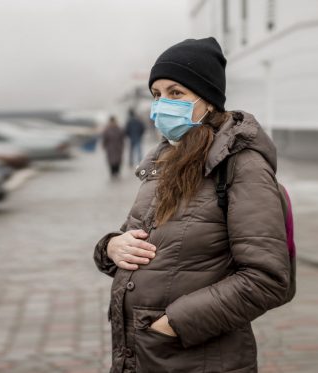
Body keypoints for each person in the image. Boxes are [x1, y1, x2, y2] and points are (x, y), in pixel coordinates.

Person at [93, 37, 290, 373]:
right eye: (156, 94)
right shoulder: (165, 161)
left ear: (209, 100)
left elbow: (267, 278)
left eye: (176, 93)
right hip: (141, 356)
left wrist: (174, 323)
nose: (161, 103)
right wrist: (110, 247)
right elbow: (139, 239)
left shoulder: (241, 165)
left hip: (197, 358)